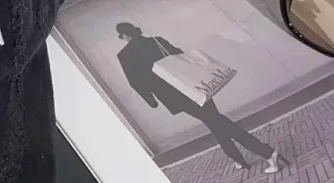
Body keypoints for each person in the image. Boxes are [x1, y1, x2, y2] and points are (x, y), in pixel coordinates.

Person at [115, 22, 288, 173]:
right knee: (215, 121)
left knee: (217, 122)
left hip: (174, 96)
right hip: (195, 86)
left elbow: (135, 81)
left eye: (120, 36)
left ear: (124, 35)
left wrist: (151, 101)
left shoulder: (125, 55)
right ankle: (238, 158)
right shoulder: (157, 41)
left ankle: (267, 152)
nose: (121, 38)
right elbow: (182, 57)